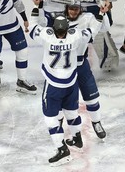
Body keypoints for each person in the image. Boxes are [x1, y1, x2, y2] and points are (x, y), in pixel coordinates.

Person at [29, 10, 92, 166]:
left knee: (50, 119)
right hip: (71, 83)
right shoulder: (75, 36)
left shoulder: (47, 37)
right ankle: (77, 138)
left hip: (53, 84)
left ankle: (62, 150)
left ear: (54, 28)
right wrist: (100, 16)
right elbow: (92, 31)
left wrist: (36, 10)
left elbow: (32, 28)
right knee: (71, 112)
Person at [67, 0, 121, 71]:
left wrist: (108, 0)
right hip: (78, 5)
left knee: (100, 33)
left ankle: (109, 62)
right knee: (77, 33)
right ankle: (77, 61)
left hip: (97, 4)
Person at [65, 3, 107, 139]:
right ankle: (70, 131)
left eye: (75, 9)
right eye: (70, 8)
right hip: (65, 68)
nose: (72, 12)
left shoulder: (88, 17)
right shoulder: (59, 20)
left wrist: (102, 13)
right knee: (67, 102)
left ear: (80, 9)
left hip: (82, 65)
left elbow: (105, 28)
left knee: (92, 97)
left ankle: (96, 122)